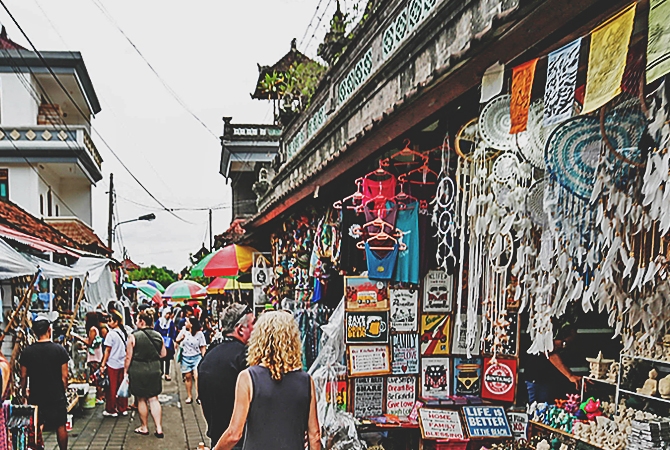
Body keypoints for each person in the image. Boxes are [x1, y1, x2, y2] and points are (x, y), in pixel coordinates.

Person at [213, 311, 321, 450]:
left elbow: (234, 434)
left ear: (259, 340)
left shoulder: (248, 378)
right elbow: (315, 436)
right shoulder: (306, 381)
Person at [198, 304, 254, 448]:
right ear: (241, 329)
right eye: (253, 324)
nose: (257, 329)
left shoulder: (210, 353)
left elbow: (203, 399)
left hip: (217, 437)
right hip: (240, 438)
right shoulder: (245, 356)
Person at [19, 314, 70, 450]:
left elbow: (23, 376)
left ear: (35, 332)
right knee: (60, 425)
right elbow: (65, 376)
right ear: (49, 330)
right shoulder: (59, 350)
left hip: (36, 393)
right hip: (56, 394)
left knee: (37, 424)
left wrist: (24, 392)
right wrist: (62, 390)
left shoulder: (27, 352)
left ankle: (37, 447)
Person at [125, 311, 167, 438]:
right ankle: (159, 428)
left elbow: (128, 357)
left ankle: (144, 427)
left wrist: (125, 372)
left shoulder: (133, 336)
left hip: (138, 370)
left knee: (141, 399)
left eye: (137, 320)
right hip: (154, 369)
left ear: (142, 321)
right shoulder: (158, 335)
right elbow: (164, 354)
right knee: (154, 399)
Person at [100, 310, 128, 417]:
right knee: (122, 386)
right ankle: (122, 408)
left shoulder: (111, 334)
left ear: (116, 322)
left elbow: (107, 350)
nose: (108, 322)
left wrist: (103, 364)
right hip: (122, 363)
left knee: (111, 387)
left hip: (112, 363)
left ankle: (111, 409)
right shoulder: (123, 332)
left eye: (110, 320)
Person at [74, 312, 105, 403]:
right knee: (97, 376)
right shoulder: (95, 328)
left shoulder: (92, 329)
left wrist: (78, 337)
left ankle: (99, 397)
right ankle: (100, 396)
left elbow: (89, 343)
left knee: (96, 377)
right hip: (96, 355)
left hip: (94, 357)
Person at [176, 316, 206, 404]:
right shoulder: (184, 331)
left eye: (187, 322)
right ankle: (189, 396)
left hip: (196, 357)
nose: (185, 323)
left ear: (191, 324)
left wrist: (204, 358)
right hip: (185, 357)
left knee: (197, 376)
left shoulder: (200, 334)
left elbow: (202, 347)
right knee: (187, 377)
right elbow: (177, 340)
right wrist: (182, 338)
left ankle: (199, 396)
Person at [154, 308, 176, 381]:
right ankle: (161, 372)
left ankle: (167, 373)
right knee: (160, 358)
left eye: (169, 314)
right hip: (160, 342)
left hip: (168, 344)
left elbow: (173, 332)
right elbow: (155, 331)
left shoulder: (171, 322)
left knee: (167, 359)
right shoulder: (159, 321)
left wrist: (172, 340)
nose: (168, 315)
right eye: (167, 314)